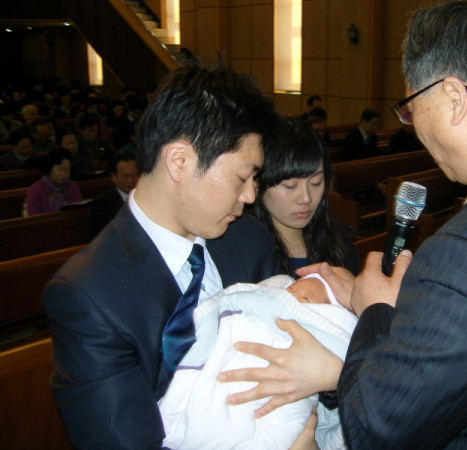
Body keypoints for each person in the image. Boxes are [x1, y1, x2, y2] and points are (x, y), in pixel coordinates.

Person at [218, 1, 467, 449]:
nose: (413, 125)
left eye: (411, 107)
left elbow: (376, 431)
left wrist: (376, 312)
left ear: (454, 98)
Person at [43, 63, 284, 448]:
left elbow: (287, 348)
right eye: (242, 177)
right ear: (179, 161)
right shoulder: (88, 295)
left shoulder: (249, 238)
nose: (251, 195)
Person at [159, 273, 356, 450]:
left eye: (305, 299)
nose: (290, 296)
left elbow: (342, 347)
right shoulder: (262, 282)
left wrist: (336, 373)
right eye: (290, 289)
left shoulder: (335, 333)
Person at [250, 118, 360, 276]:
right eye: (290, 186)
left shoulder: (340, 242)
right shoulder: (244, 251)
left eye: (316, 182)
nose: (306, 198)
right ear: (258, 183)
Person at [87, 153, 139, 241]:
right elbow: (95, 239)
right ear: (114, 177)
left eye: (134, 175)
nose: (131, 180)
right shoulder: (101, 204)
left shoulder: (147, 196)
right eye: (125, 177)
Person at [25, 147, 82, 215]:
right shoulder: (35, 190)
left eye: (67, 170)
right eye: (60, 169)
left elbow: (79, 212)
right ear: (50, 168)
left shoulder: (72, 186)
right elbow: (34, 217)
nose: (63, 174)